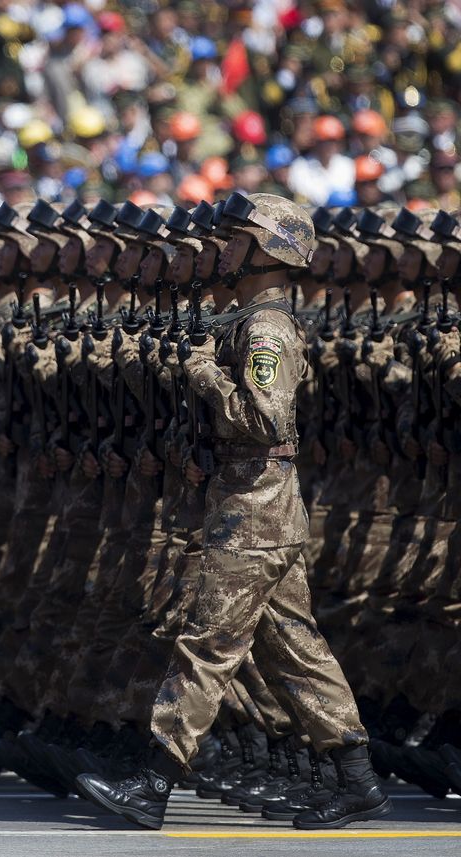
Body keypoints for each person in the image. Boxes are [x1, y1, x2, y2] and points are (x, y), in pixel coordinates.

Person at [74, 193, 390, 831]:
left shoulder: (266, 328)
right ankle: (358, 780)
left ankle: (154, 781)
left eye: (236, 237)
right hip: (250, 503)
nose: (222, 248)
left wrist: (207, 377)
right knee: (293, 650)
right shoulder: (247, 321)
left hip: (254, 508)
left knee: (206, 642)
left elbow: (264, 417)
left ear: (268, 247)